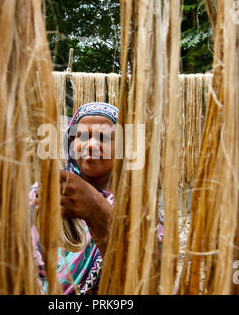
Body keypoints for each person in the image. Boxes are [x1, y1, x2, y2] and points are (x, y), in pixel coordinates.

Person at [29, 102, 162, 294]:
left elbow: (148, 283)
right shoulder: (43, 193)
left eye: (104, 137)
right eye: (81, 136)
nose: (90, 145)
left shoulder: (139, 205)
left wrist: (97, 211)